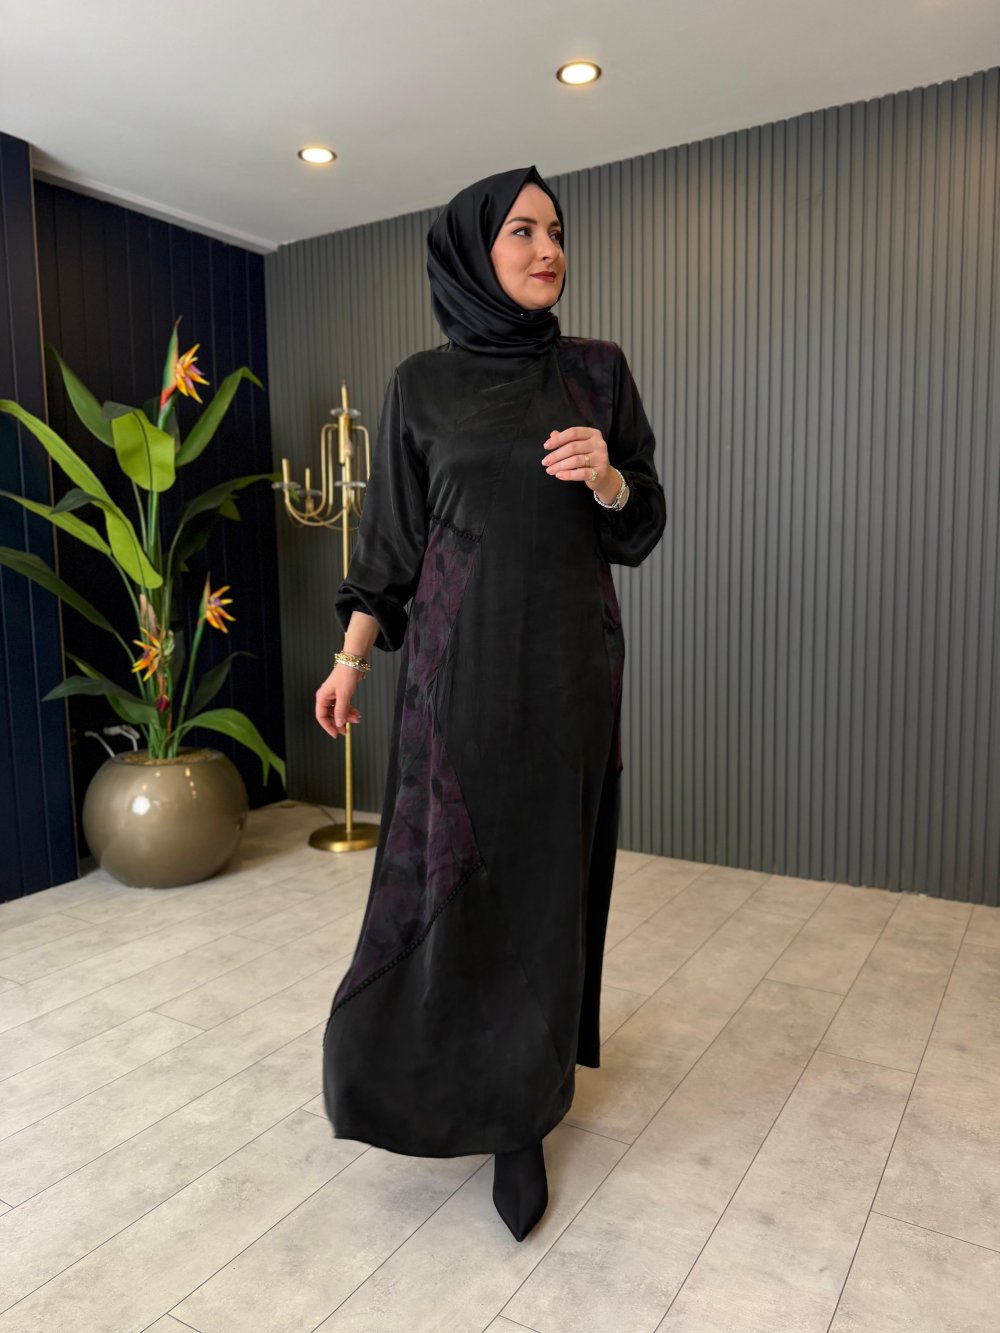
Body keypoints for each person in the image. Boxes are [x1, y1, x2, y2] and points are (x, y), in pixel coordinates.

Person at [315, 164, 666, 1242]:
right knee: (450, 878)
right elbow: (391, 543)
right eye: (522, 230)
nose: (547, 248)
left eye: (556, 230)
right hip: (455, 677)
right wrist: (350, 659)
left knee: (547, 883)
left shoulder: (597, 372)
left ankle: (523, 1109)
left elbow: (642, 524)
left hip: (569, 675)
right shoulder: (420, 385)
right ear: (474, 248)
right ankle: (424, 1069)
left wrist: (609, 477)